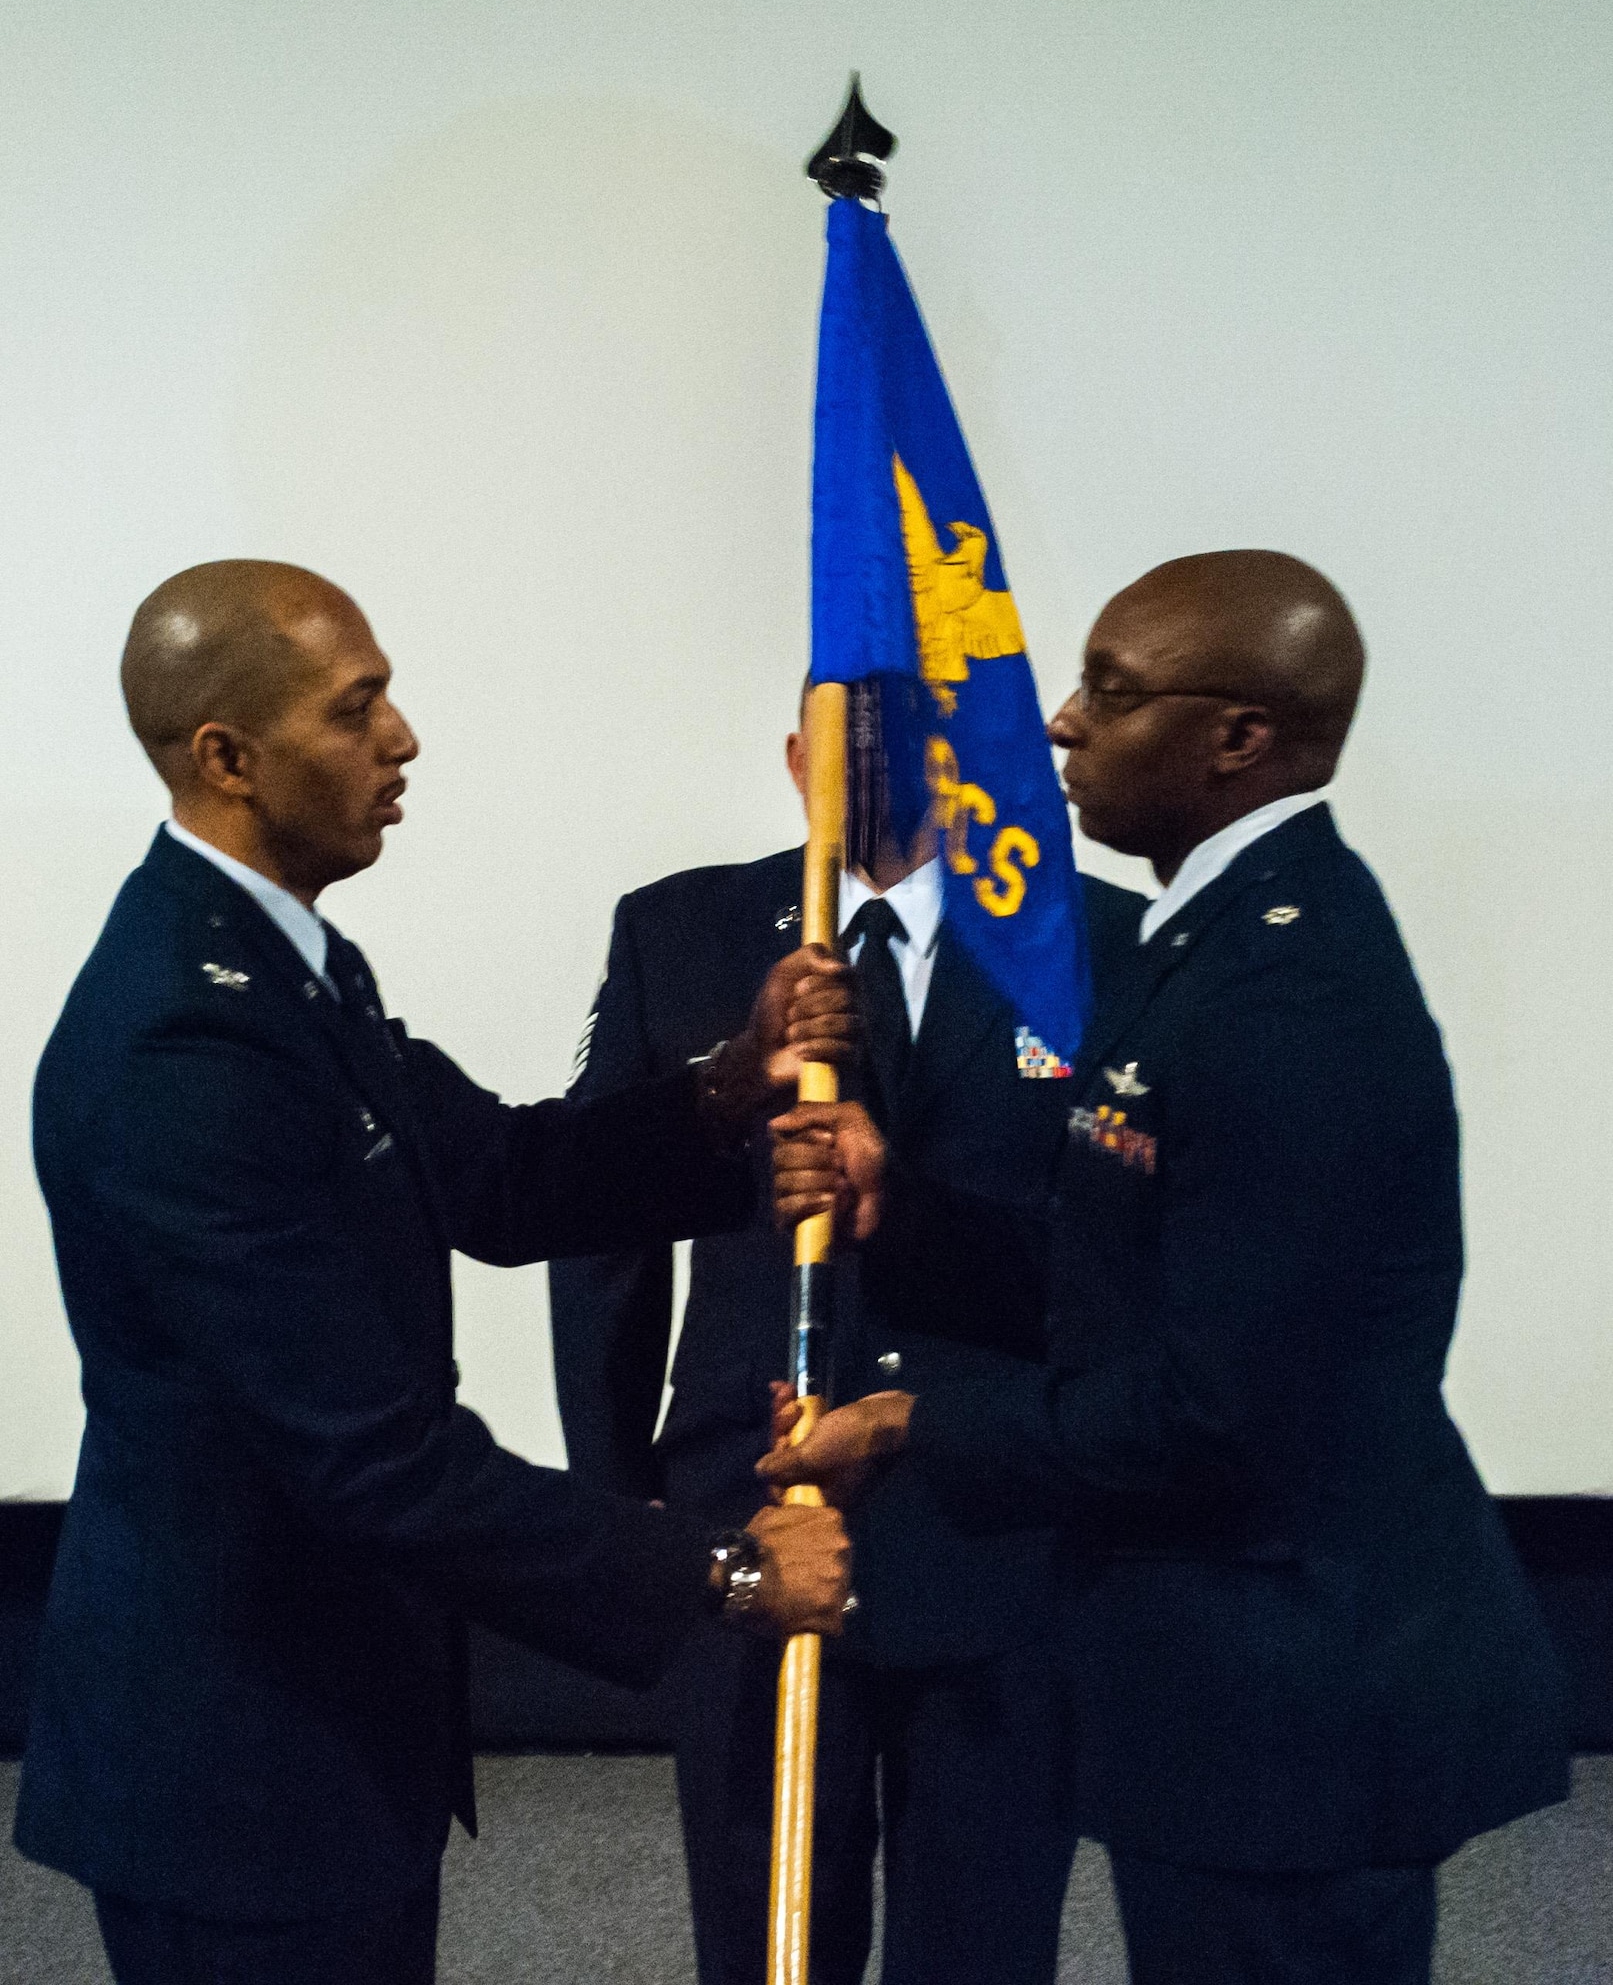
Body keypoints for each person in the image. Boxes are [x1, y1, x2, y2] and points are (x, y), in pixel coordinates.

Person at [15, 559, 855, 1985]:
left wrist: (723, 1088)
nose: (401, 738)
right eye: (357, 710)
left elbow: (507, 1179)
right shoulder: (186, 1044)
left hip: (325, 1715)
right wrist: (716, 1567)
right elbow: (375, 1461)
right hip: (235, 1759)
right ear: (228, 757)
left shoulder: (289, 971)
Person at [763, 550, 1570, 1985]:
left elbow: (1214, 1407)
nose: (1061, 723)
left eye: (1110, 692)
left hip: (1293, 1691)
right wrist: (911, 1215)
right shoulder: (1205, 943)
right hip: (1224, 1677)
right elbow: (1125, 1278)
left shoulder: (1285, 991)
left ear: (1236, 741)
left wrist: (913, 1422)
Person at [551, 693, 1144, 1985]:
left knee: (983, 1941)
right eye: (841, 730)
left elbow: (1120, 1259)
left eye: (912, 731)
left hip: (997, 1522)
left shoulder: (1095, 941)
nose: (871, 762)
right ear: (787, 756)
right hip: (750, 1516)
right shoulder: (683, 932)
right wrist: (620, 1514)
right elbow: (603, 1232)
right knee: (767, 1942)